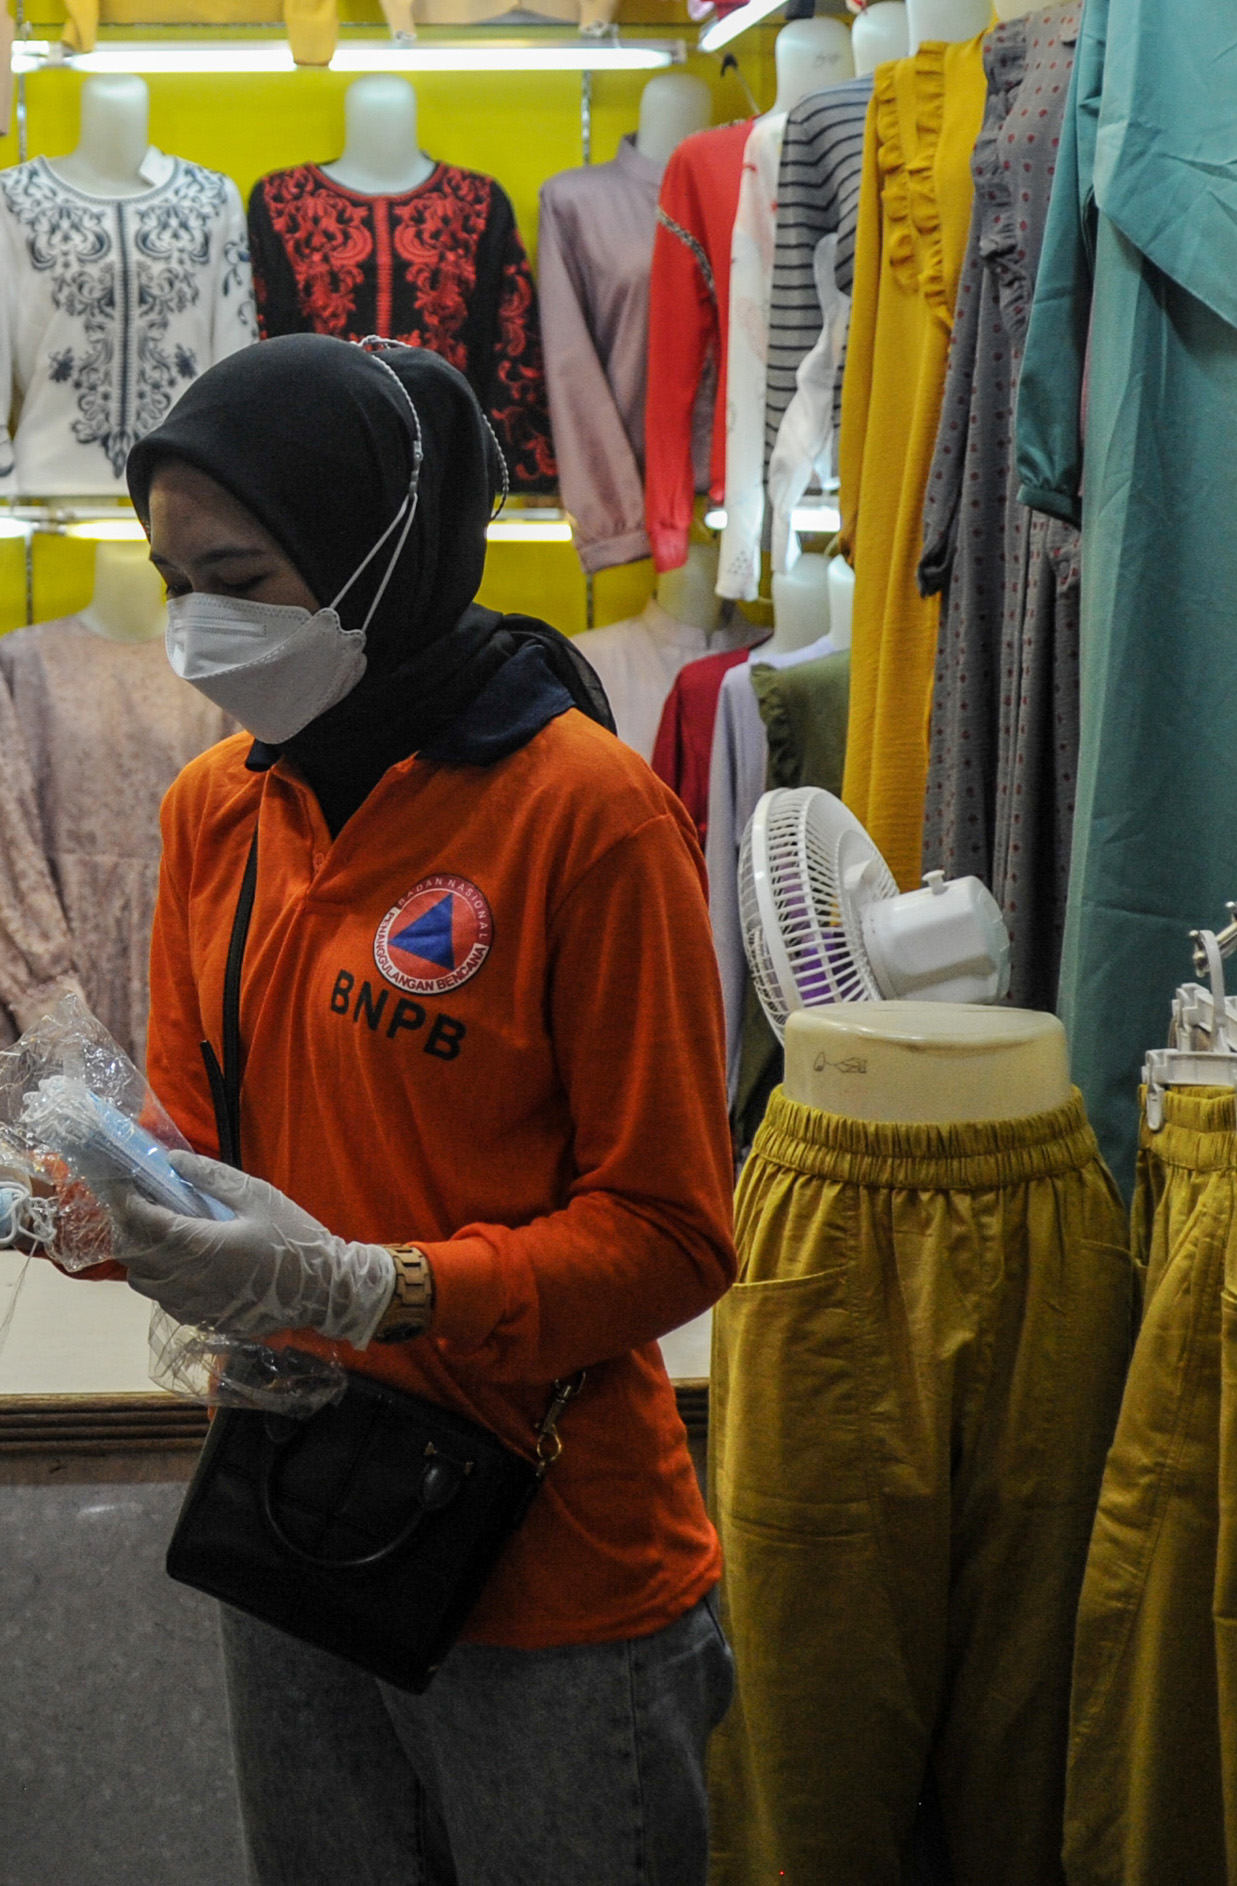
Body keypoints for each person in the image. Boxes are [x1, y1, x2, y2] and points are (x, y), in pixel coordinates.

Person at [94, 333, 747, 1883]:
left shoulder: (585, 815)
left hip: (551, 1571)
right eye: (172, 575)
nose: (198, 624)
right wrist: (32, 1186)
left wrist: (382, 1283)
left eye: (240, 575)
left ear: (378, 550)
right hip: (296, 1524)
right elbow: (194, 1160)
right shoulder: (222, 812)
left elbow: (674, 1233)